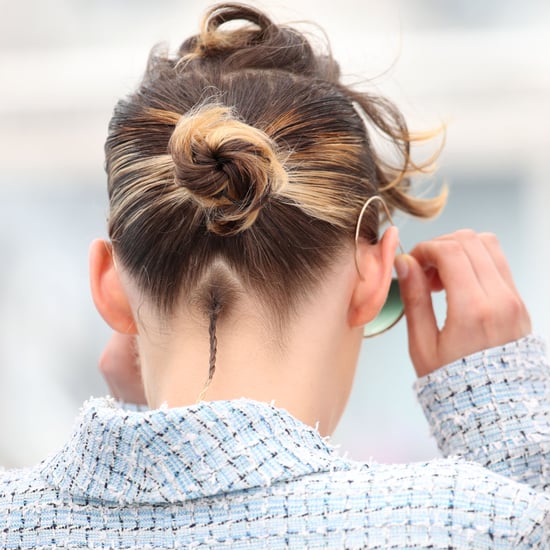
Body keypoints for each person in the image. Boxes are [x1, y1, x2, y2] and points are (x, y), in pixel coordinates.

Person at [1, 3, 548, 548]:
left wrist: (155, 450)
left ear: (108, 284)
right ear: (375, 277)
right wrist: (505, 431)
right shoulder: (472, 523)